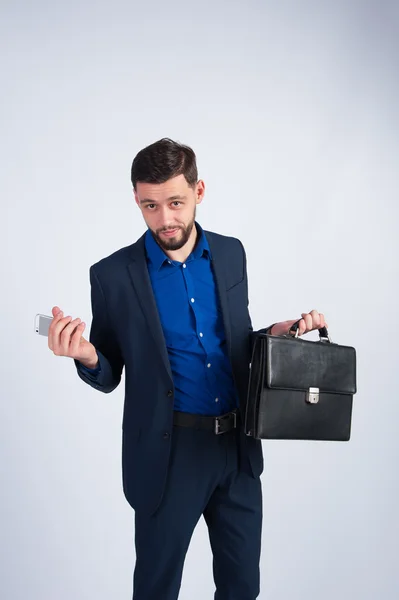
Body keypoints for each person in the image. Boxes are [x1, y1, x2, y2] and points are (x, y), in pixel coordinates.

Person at [48, 138, 327, 600]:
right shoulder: (113, 275)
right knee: (157, 589)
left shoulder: (231, 253)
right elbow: (110, 366)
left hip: (237, 450)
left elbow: (236, 343)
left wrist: (277, 334)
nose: (165, 219)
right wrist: (87, 356)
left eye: (175, 202)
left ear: (199, 191)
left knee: (242, 588)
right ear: (136, 200)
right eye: (150, 206)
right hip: (168, 455)